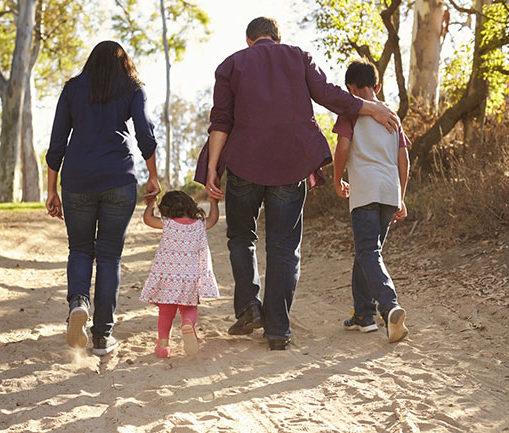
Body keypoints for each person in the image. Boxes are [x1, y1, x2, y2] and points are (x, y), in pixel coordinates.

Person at [202, 17, 401, 350]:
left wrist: (212, 169)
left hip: (243, 165)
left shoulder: (231, 64)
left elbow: (220, 120)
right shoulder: (298, 56)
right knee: (283, 247)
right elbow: (327, 95)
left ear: (249, 40)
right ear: (278, 39)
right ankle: (278, 329)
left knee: (241, 237)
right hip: (290, 165)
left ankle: (250, 306)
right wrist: (370, 108)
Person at [45, 40, 160, 356]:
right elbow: (145, 134)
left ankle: (78, 303)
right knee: (109, 256)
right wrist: (152, 174)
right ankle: (102, 337)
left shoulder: (72, 89)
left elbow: (57, 143)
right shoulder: (133, 88)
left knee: (80, 249)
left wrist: (51, 189)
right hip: (118, 180)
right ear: (124, 63)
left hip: (77, 179)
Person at [332, 59, 410, 343]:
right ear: (377, 86)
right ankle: (363, 316)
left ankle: (389, 306)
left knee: (368, 252)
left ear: (349, 88)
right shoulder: (393, 116)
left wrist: (337, 178)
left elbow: (342, 146)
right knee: (368, 252)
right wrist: (400, 195)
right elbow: (404, 159)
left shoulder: (350, 112)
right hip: (389, 192)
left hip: (364, 190)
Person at [140, 191, 220, 357]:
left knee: (166, 310)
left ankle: (163, 345)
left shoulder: (168, 223)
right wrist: (214, 203)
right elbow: (213, 219)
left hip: (168, 275)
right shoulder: (199, 224)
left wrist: (150, 204)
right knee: (189, 306)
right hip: (189, 275)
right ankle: (188, 324)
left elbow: (148, 219)